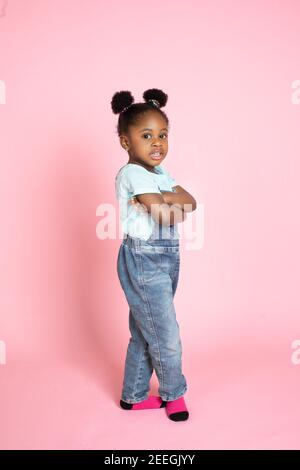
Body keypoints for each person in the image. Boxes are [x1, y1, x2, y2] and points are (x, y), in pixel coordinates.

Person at [112, 88, 197, 421]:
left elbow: (190, 202)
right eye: (146, 135)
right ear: (126, 142)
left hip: (165, 257)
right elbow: (166, 215)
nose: (157, 142)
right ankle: (173, 395)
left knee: (145, 332)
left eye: (162, 135)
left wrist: (167, 202)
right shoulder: (133, 173)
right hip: (144, 259)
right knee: (166, 336)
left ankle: (132, 396)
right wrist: (169, 205)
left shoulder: (159, 174)